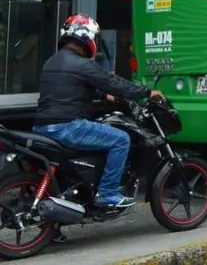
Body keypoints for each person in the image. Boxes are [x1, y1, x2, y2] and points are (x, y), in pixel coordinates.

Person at [34, 15, 163, 208]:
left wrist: (104, 97)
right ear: (88, 38)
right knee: (121, 140)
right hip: (68, 126)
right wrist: (146, 92)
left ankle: (57, 222)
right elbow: (113, 83)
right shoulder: (82, 64)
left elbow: (72, 88)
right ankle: (108, 193)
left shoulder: (52, 62)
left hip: (42, 126)